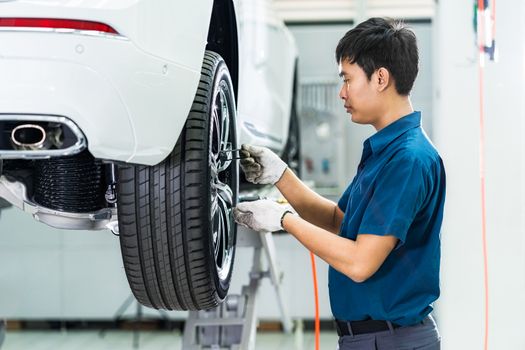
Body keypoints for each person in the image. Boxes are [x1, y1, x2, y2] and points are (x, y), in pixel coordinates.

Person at [233, 17, 445, 350]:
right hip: (374, 338)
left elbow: (361, 263)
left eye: (347, 79)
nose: (341, 92)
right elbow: (338, 222)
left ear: (380, 78)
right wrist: (281, 176)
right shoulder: (386, 151)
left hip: (391, 340)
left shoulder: (408, 160)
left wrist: (283, 220)